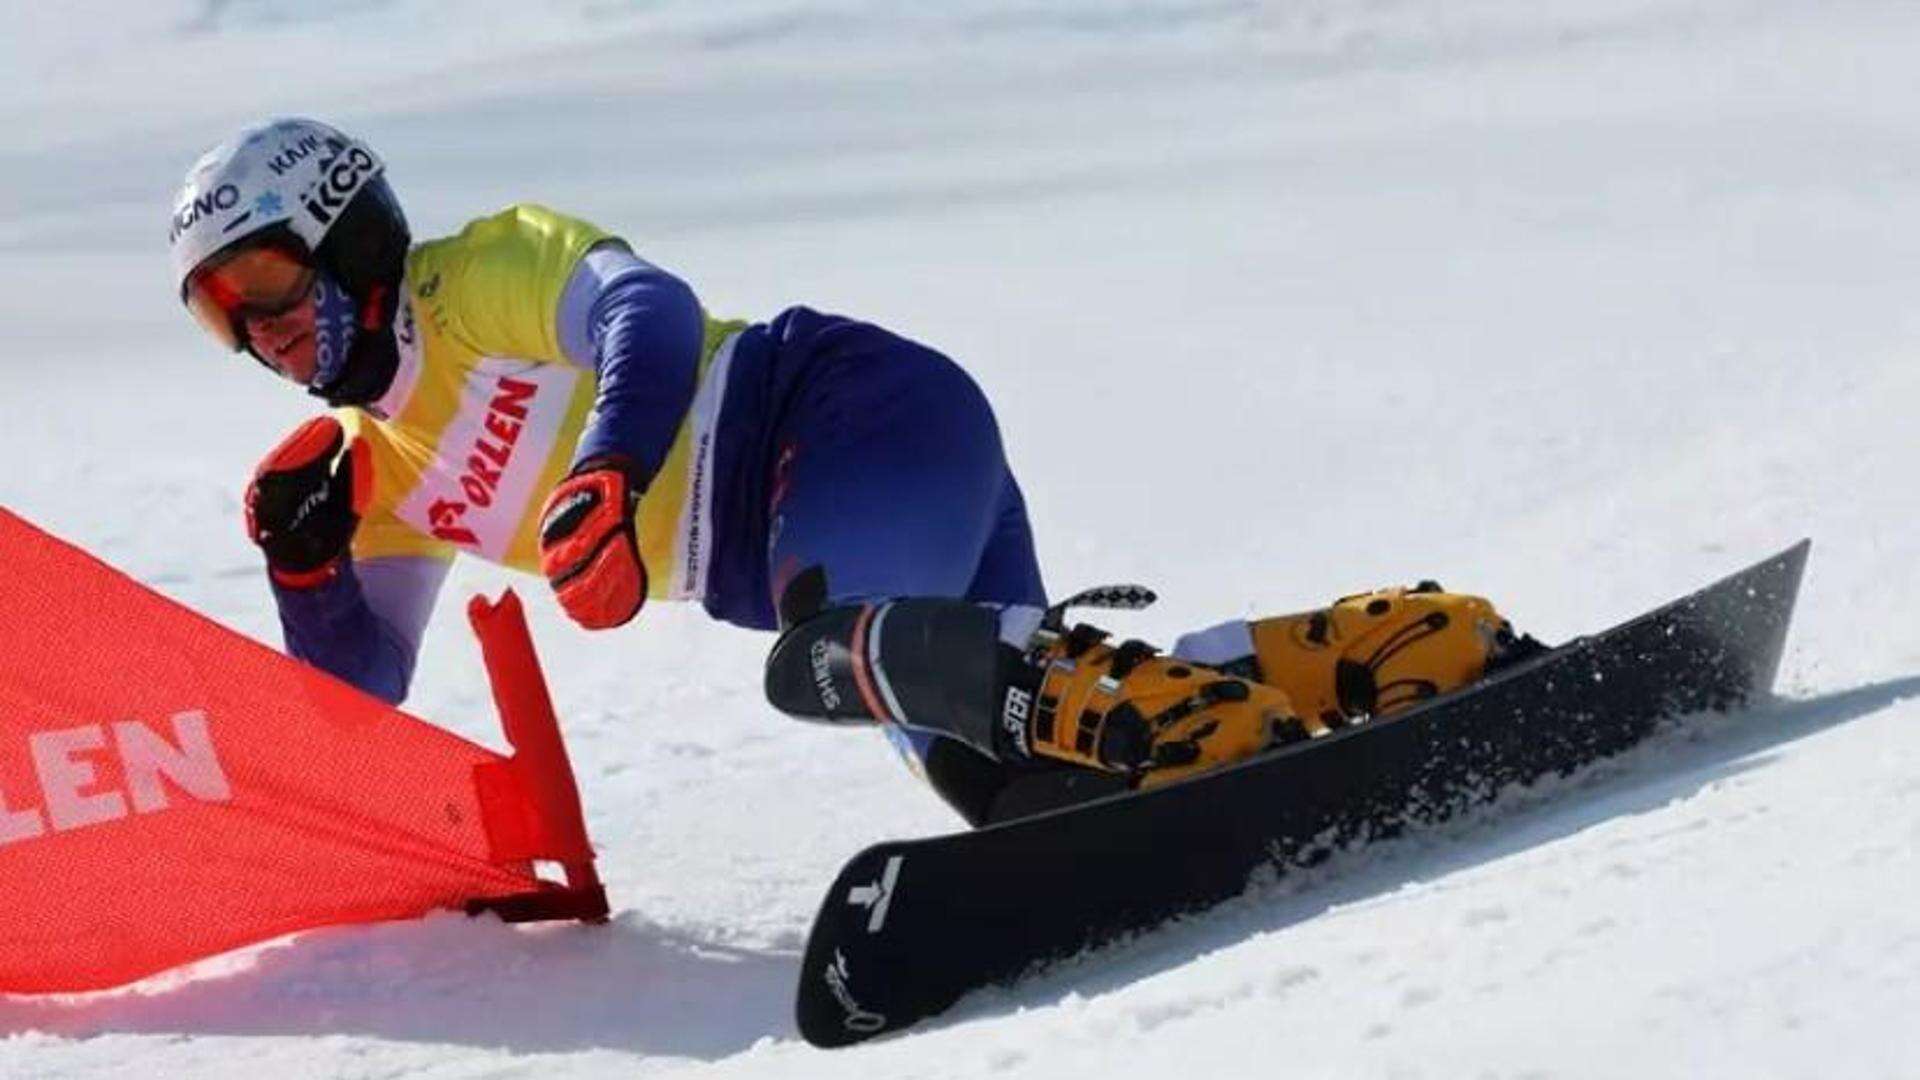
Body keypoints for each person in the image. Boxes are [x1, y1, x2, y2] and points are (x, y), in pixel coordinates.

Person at [171, 118, 1529, 826]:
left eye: (266, 276)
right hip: (841, 558)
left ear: (347, 232)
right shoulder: (381, 477)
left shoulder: (477, 275)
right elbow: (361, 696)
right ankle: (1384, 650)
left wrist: (605, 471)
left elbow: (643, 309)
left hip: (845, 415)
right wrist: (304, 573)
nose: (263, 329)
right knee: (1012, 780)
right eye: (221, 314)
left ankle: (1195, 728)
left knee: (827, 654)